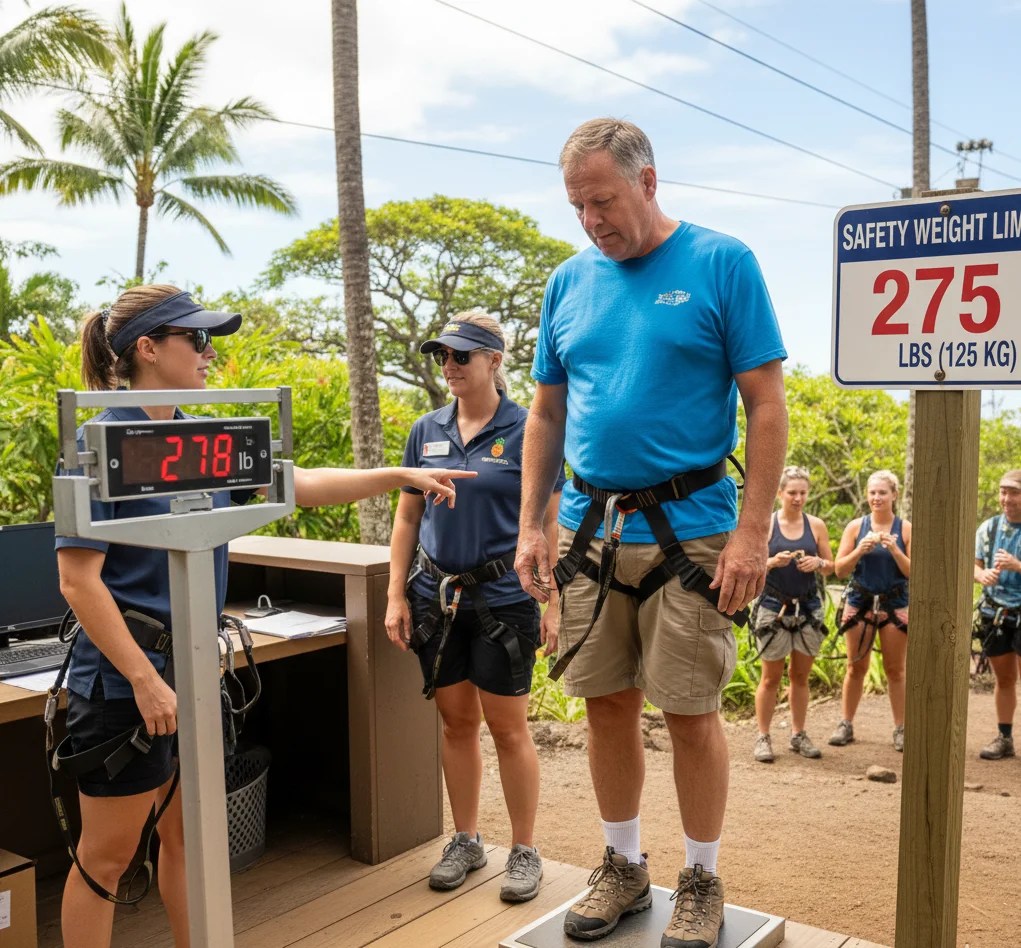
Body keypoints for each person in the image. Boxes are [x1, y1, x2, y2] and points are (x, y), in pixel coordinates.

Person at [54, 284, 475, 948]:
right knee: (106, 859)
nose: (208, 354)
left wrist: (397, 475)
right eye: (195, 339)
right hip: (125, 684)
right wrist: (142, 678)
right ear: (147, 348)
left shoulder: (204, 437)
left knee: (190, 837)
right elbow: (78, 581)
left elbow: (297, 482)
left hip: (196, 668)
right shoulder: (97, 441)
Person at [515, 118, 788, 948]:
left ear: (647, 181)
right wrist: (533, 523)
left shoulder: (720, 262)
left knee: (689, 708)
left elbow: (766, 405)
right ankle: (623, 866)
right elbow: (547, 410)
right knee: (603, 703)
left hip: (696, 532)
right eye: (577, 206)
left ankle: (699, 878)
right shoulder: (568, 282)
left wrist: (752, 535)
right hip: (588, 530)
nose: (592, 219)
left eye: (602, 200)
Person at [385, 309, 564, 904]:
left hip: (507, 598)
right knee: (456, 723)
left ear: (495, 361)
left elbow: (550, 521)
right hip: (435, 598)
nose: (450, 365)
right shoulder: (426, 429)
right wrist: (394, 594)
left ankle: (525, 849)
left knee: (509, 731)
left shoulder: (528, 427)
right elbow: (408, 515)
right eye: (443, 356)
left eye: (463, 355)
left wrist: (552, 598)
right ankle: (465, 839)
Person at [752, 466, 834, 764]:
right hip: (773, 606)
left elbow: (831, 566)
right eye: (792, 493)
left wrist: (818, 562)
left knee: (800, 675)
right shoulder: (767, 525)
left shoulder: (816, 526)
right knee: (770, 677)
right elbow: (752, 563)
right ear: (779, 494)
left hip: (808, 606)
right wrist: (773, 561)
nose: (797, 498)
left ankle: (798, 734)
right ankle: (763, 736)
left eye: (802, 493)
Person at [829, 469, 911, 752]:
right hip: (860, 601)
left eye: (882, 493)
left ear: (894, 495)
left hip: (895, 603)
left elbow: (914, 571)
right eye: (873, 493)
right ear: (867, 495)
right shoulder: (856, 527)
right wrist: (859, 550)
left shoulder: (906, 529)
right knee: (855, 667)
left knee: (895, 670)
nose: (877, 498)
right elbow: (839, 570)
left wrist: (895, 549)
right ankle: (845, 723)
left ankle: (901, 727)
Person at [973, 469, 1021, 760]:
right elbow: (973, 566)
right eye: (1003, 491)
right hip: (995, 613)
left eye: (1013, 492)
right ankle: (1004, 738)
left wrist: (1018, 565)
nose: (1006, 498)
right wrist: (982, 576)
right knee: (1003, 680)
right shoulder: (988, 528)